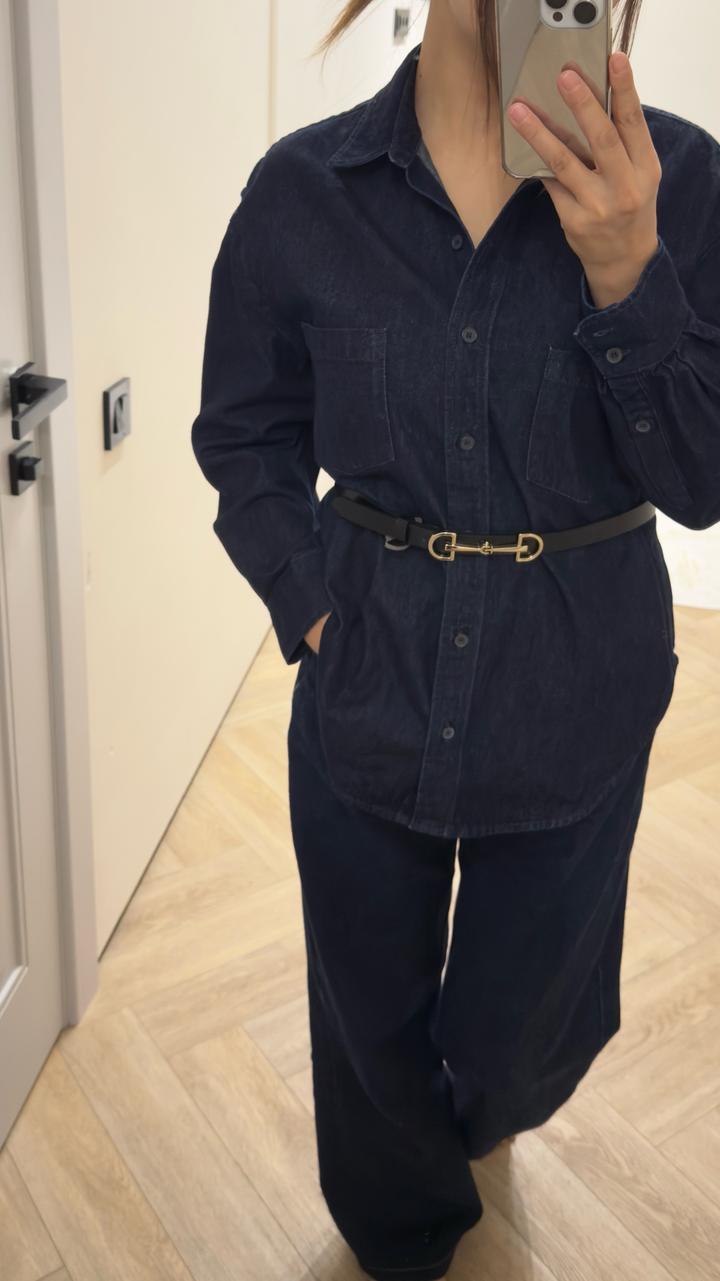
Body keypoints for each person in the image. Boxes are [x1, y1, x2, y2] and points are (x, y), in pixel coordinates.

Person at [191, 2, 720, 1277]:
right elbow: (245, 432)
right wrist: (310, 602)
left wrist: (627, 271)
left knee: (519, 1041)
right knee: (367, 1022)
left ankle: (485, 1122)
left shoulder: (685, 182)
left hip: (579, 687)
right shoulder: (304, 192)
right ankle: (401, 1235)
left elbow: (703, 481)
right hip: (368, 675)